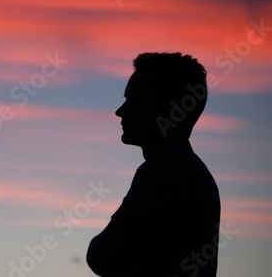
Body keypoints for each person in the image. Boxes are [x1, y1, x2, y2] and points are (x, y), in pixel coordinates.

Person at [86, 52, 221, 277]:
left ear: (167, 108)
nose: (120, 111)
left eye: (135, 100)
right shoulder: (185, 168)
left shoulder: (168, 169)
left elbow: (104, 254)